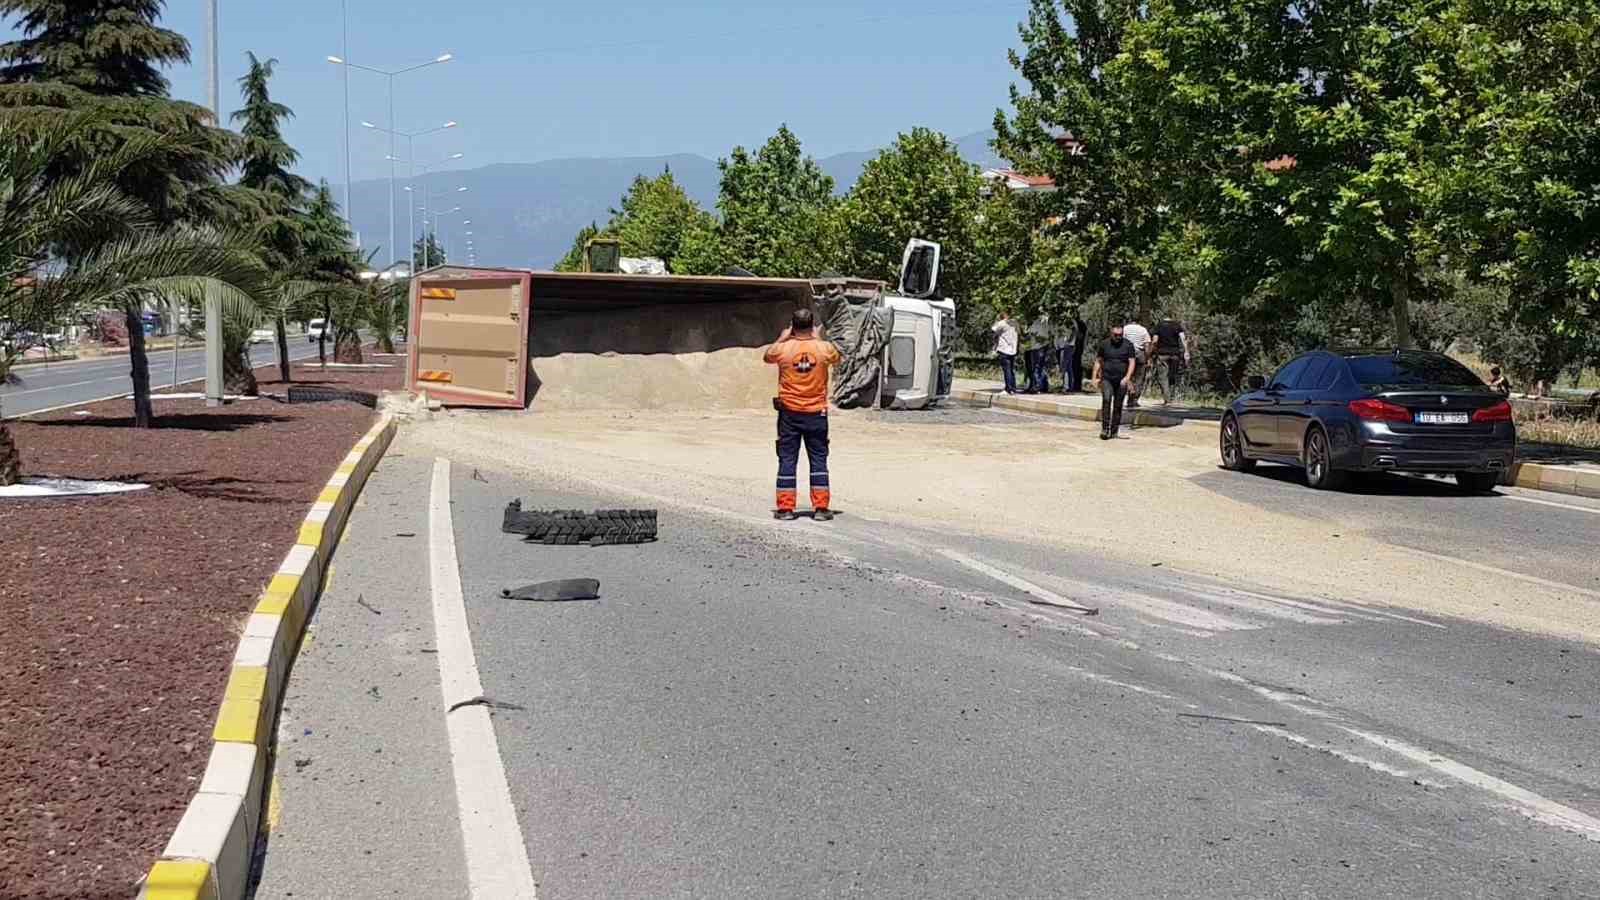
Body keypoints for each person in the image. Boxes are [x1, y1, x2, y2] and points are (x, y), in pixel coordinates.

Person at [764, 308, 842, 521]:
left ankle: (786, 509)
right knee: (818, 459)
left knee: (787, 459)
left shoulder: (782, 349)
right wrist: (817, 338)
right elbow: (837, 357)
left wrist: (782, 337)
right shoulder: (824, 348)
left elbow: (767, 356)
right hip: (816, 414)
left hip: (789, 414)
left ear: (792, 325)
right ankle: (820, 508)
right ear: (812, 325)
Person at [1092, 322, 1137, 439]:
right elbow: (1098, 361)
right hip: (1107, 378)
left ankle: (1114, 430)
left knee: (1118, 405)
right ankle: (1105, 429)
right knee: (1106, 400)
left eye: (1120, 335)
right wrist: (1094, 377)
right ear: (1111, 333)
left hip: (1121, 379)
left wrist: (1127, 378)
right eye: (1116, 335)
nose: (1118, 337)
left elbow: (1132, 362)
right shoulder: (1104, 344)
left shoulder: (1128, 345)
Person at [1148, 314, 1191, 406]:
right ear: (1171, 318)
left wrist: (1153, 352)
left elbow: (1155, 341)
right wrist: (1186, 351)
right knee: (1172, 375)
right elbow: (1183, 338)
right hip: (1175, 354)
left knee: (1163, 377)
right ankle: (1172, 396)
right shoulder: (1176, 325)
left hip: (1162, 354)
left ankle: (1167, 399)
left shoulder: (1159, 325)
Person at [1122, 315, 1152, 407]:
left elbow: (1121, 341)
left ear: (1130, 320)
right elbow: (1147, 345)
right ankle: (1134, 399)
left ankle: (1129, 394)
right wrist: (1148, 357)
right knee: (1139, 378)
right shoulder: (1143, 330)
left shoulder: (1125, 328)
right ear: (1139, 321)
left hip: (1127, 354)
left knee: (1128, 375)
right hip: (1140, 354)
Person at [991, 313, 1020, 394]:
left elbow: (993, 330)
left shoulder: (1002, 323)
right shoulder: (1015, 322)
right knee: (1011, 369)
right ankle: (1013, 388)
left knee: (1006, 370)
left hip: (1004, 349)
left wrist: (996, 321)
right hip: (1013, 350)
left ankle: (1008, 389)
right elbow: (1019, 333)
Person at [1024, 315, 1052, 393]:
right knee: (1041, 367)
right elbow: (1050, 334)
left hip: (1036, 347)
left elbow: (1032, 334)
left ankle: (1037, 387)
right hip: (1044, 346)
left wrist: (1040, 339)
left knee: (1036, 367)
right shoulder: (1047, 320)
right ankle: (1043, 386)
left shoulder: (1036, 322)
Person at [1065, 309, 1087, 393]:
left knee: (1076, 367)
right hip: (1076, 347)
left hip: (1077, 348)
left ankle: (1076, 385)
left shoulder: (1080, 324)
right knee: (1073, 367)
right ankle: (1074, 385)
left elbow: (1080, 336)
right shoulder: (1079, 324)